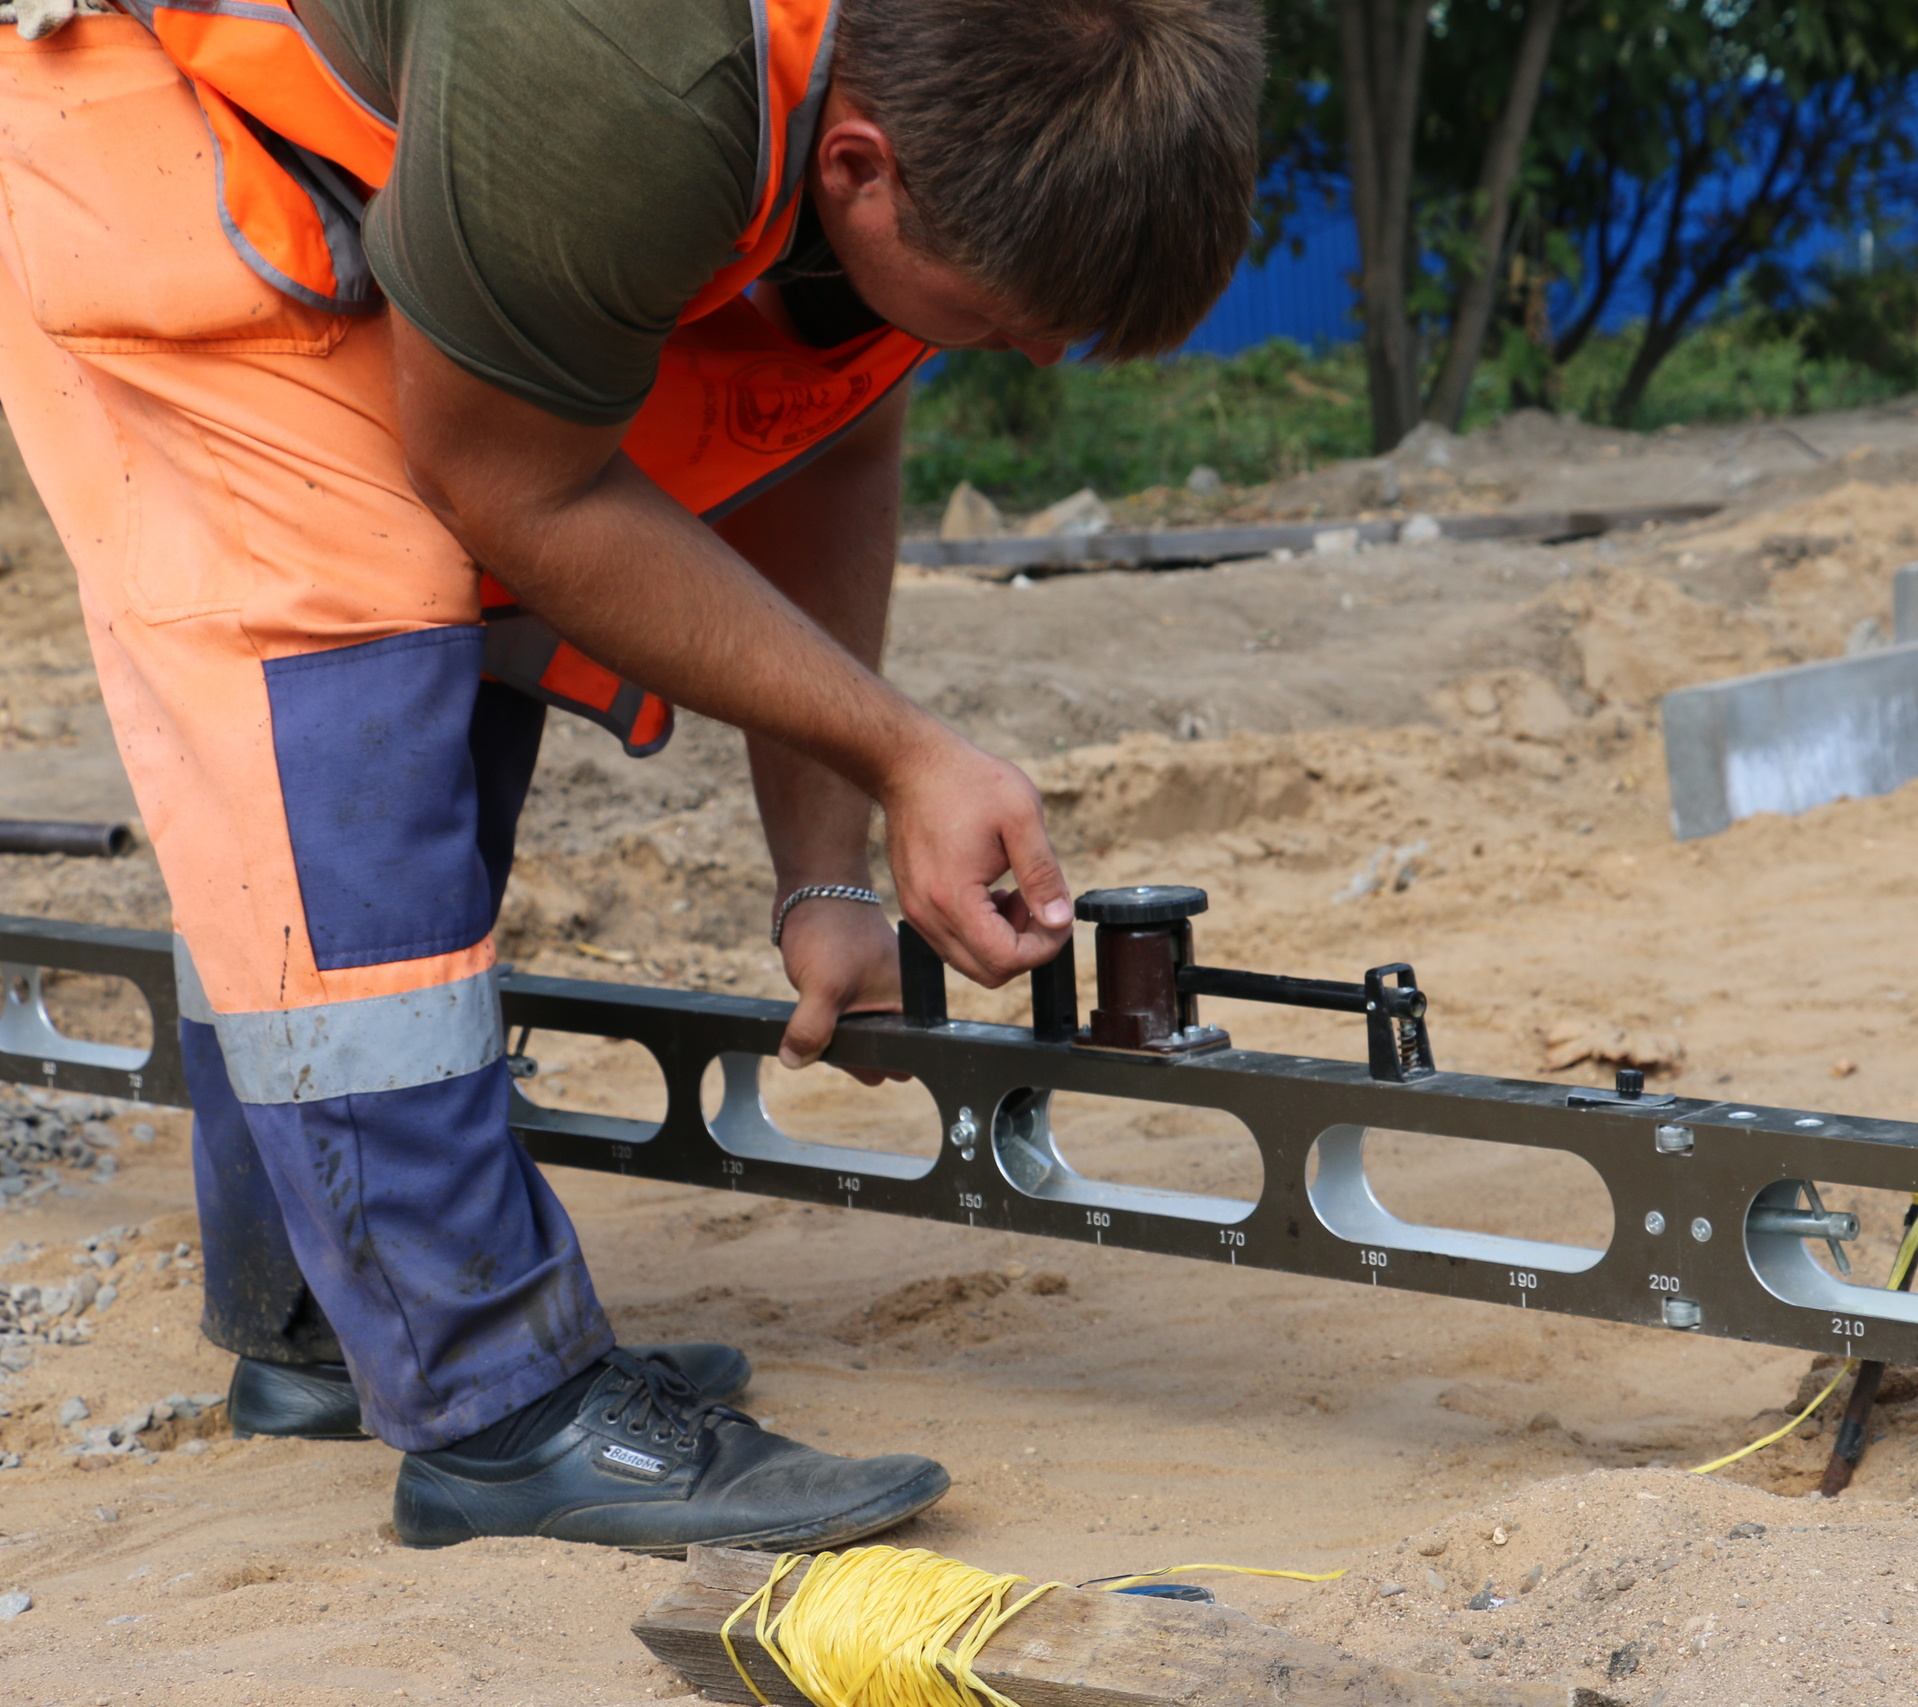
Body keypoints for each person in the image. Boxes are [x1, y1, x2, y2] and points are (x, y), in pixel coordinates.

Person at [0, 0, 1261, 1552]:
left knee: (476, 616)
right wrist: (905, 746)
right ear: (861, 167)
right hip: (147, 109)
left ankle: (325, 1329)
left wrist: (828, 879)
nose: (1031, 358)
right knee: (341, 653)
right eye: (1003, 322)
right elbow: (518, 487)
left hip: (417, 134)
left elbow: (823, 435)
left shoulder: (916, 78)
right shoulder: (625, 72)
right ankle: (494, 1414)